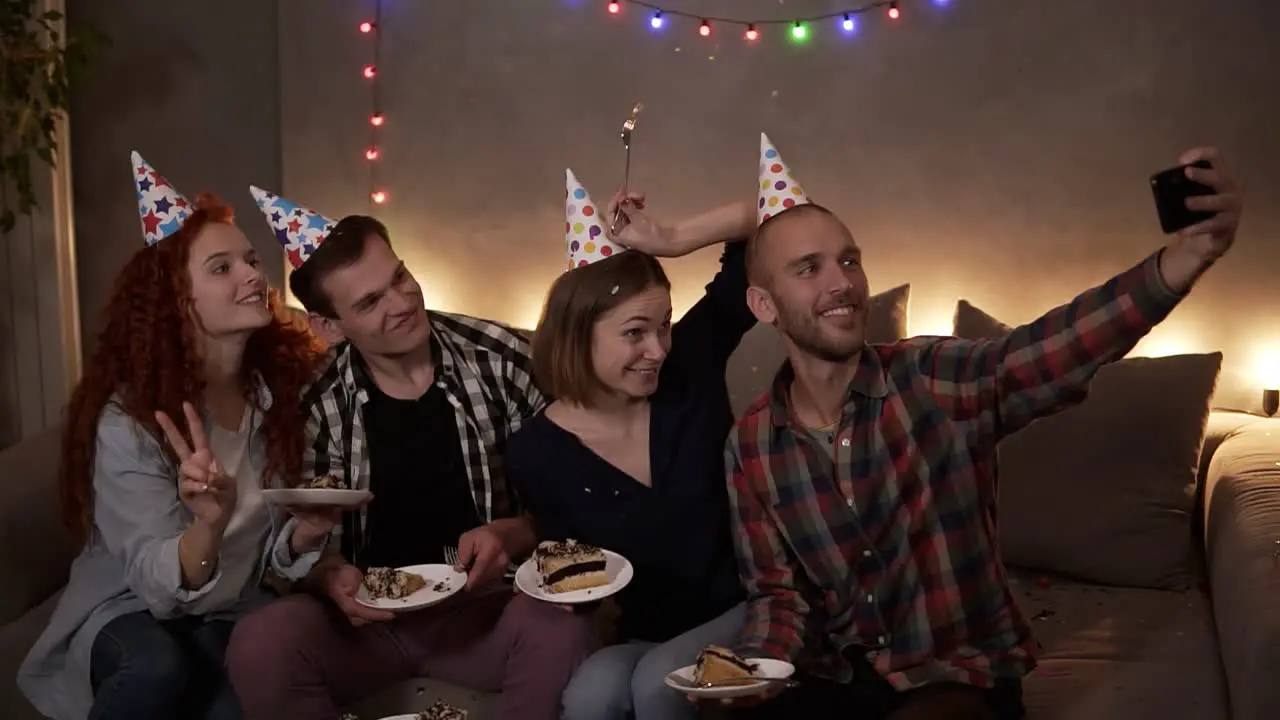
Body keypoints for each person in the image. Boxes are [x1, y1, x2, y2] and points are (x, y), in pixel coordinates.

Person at [711, 135, 1244, 720]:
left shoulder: (930, 379)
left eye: (850, 259)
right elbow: (779, 597)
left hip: (954, 677)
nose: (842, 282)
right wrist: (754, 674)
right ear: (764, 305)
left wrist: (1178, 263)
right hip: (839, 680)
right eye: (809, 269)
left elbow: (1050, 352)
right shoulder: (753, 444)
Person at [223, 186, 593, 720]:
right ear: (328, 326)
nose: (401, 303)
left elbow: (575, 498)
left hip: (487, 612)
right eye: (370, 302)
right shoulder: (311, 405)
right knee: (261, 641)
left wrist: (511, 533)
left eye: (398, 277)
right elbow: (284, 554)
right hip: (364, 628)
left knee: (559, 631)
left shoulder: (504, 359)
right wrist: (327, 576)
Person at [17, 153, 336, 720]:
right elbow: (157, 591)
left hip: (231, 604)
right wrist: (207, 526)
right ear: (174, 301)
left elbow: (272, 560)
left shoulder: (280, 395)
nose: (253, 277)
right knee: (158, 668)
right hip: (131, 607)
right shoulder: (131, 420)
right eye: (221, 268)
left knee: (242, 698)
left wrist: (302, 536)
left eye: (251, 260)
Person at [506, 169, 756, 720]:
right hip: (646, 633)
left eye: (664, 326)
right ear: (578, 335)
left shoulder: (689, 368)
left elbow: (775, 218)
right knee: (591, 694)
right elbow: (576, 567)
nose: (658, 349)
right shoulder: (535, 453)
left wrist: (667, 239)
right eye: (635, 332)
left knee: (657, 687)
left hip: (747, 607)